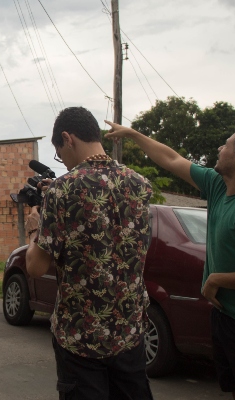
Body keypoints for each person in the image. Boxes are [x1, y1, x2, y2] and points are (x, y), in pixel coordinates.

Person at [104, 121, 235, 399]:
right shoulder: (217, 185)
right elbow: (171, 159)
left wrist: (216, 280)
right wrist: (132, 133)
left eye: (226, 145)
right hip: (225, 316)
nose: (220, 148)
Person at [25, 107, 154, 400]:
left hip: (80, 339)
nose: (63, 161)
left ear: (67, 139)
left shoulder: (62, 190)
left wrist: (34, 228)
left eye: (60, 154)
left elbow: (35, 267)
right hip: (129, 332)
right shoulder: (139, 184)